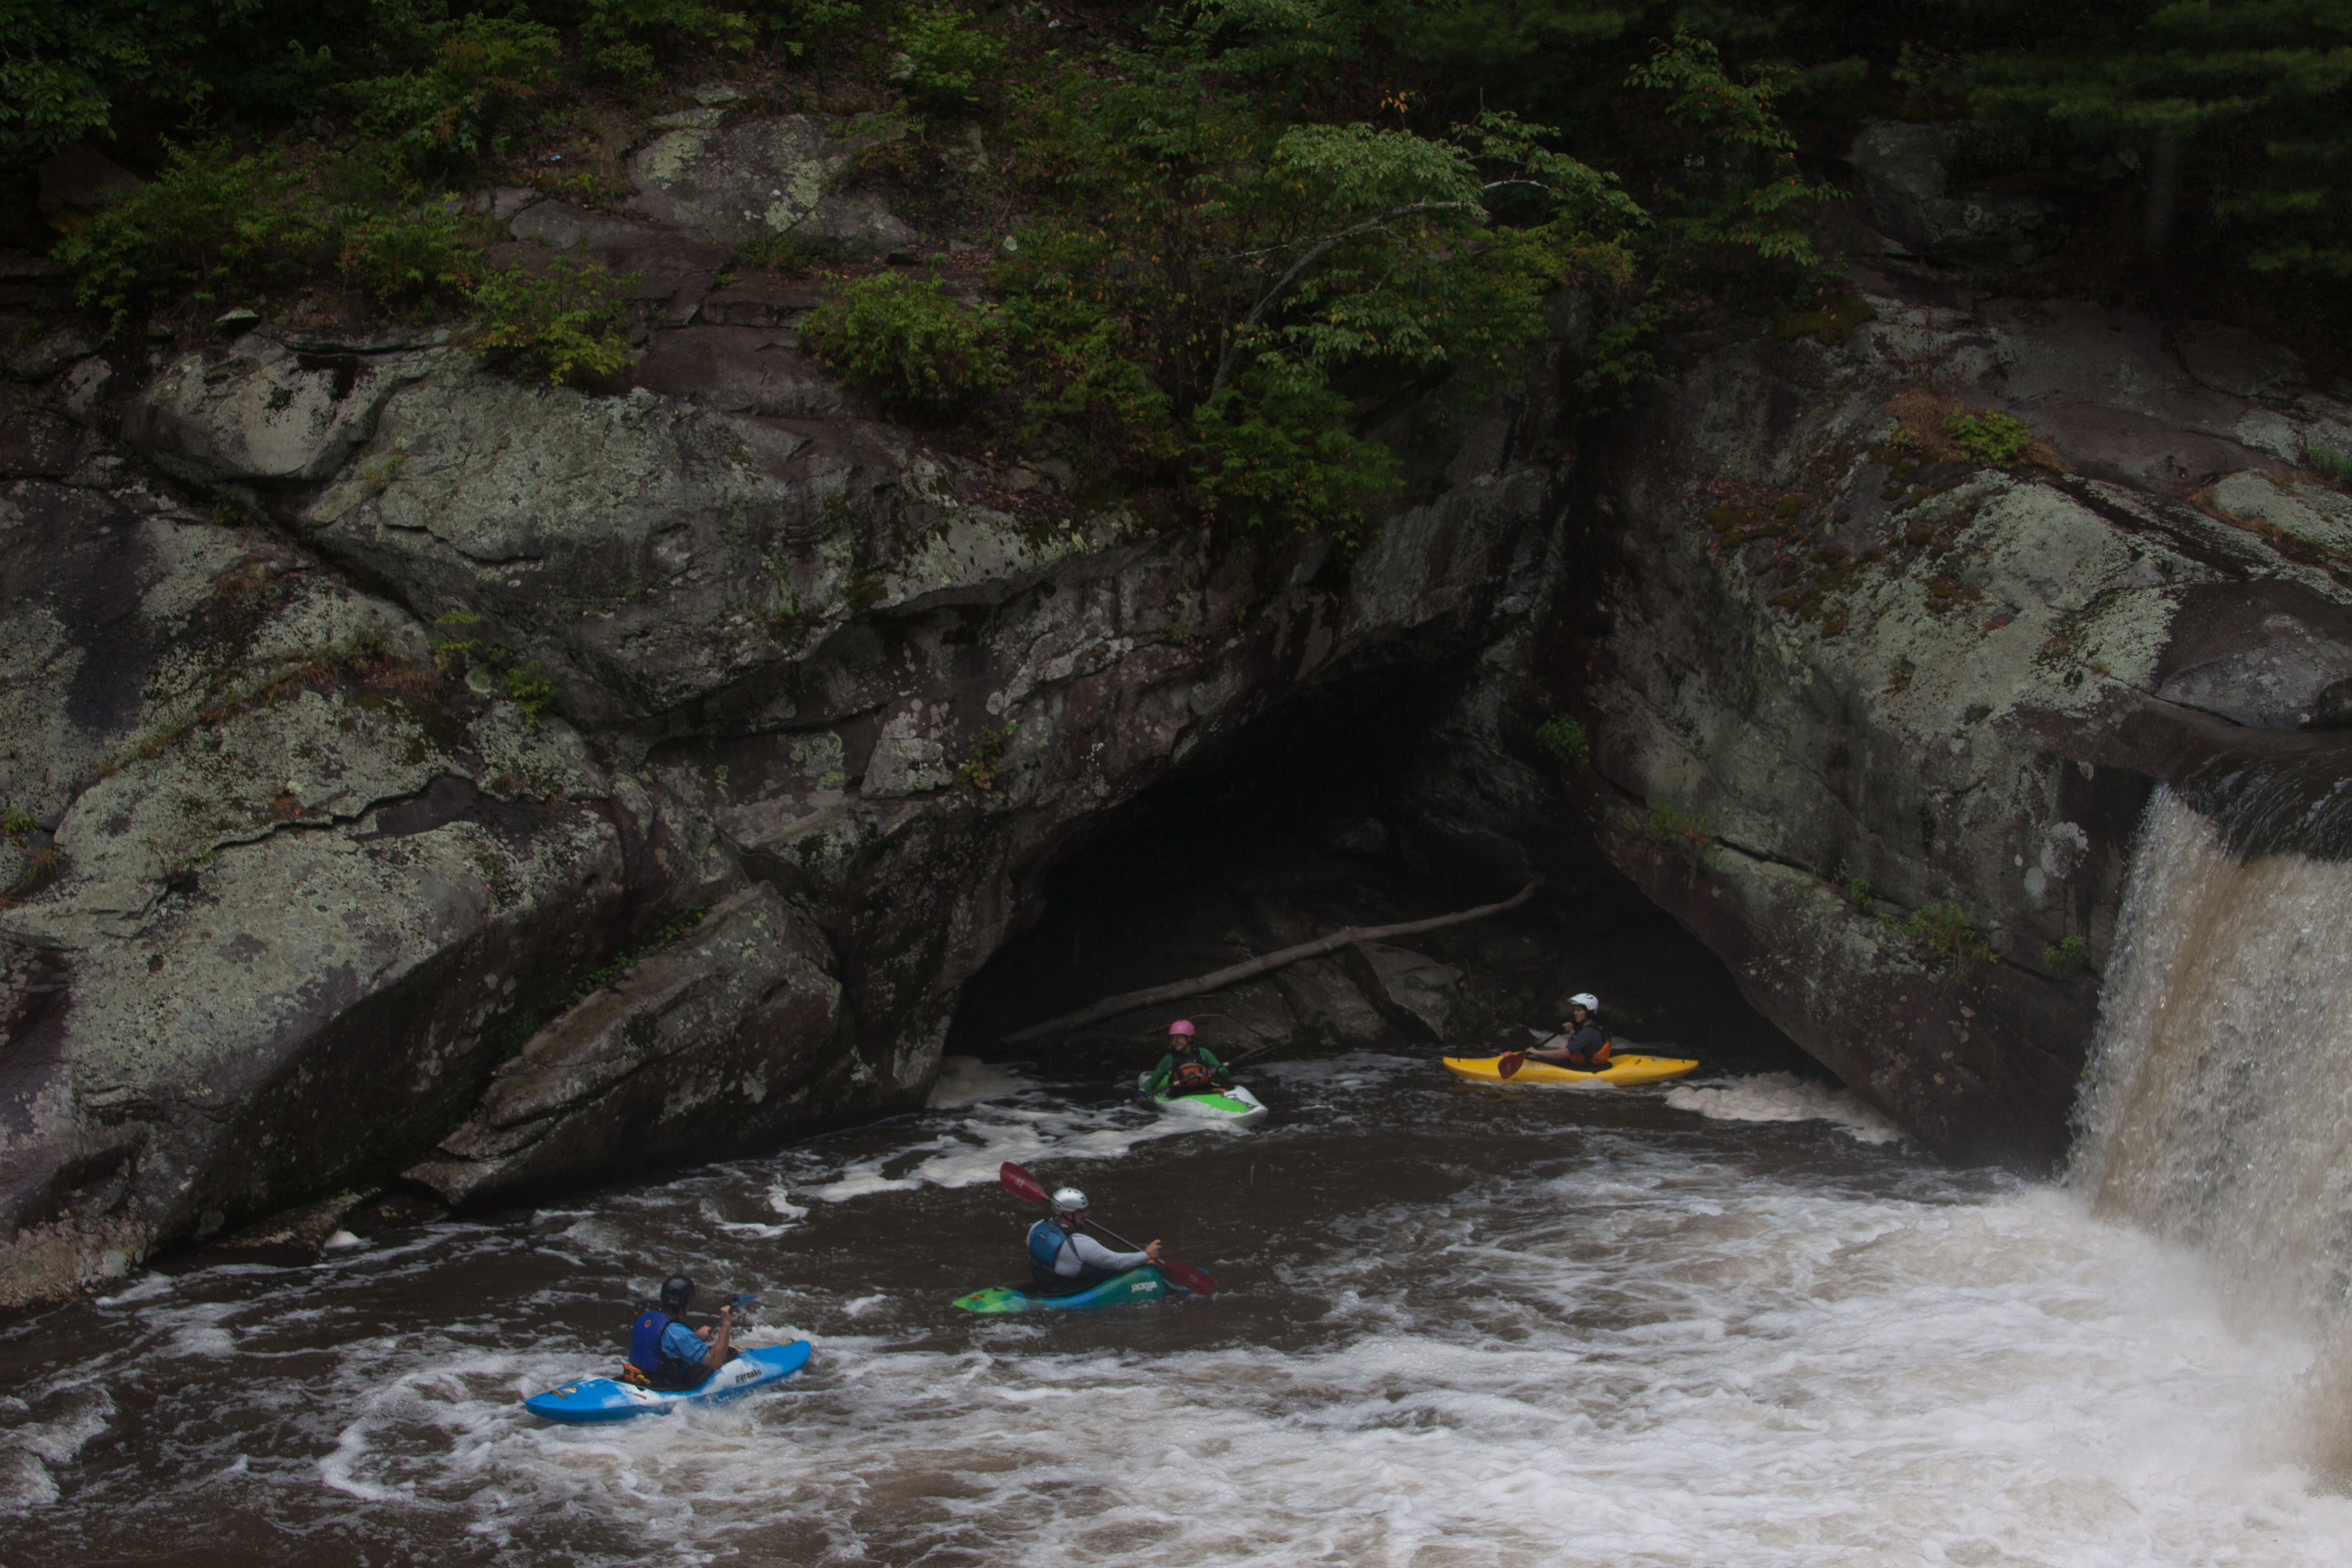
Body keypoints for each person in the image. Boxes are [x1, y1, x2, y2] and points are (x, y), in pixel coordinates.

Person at [1027, 1186, 1162, 1296]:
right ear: (1067, 1214)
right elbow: (1117, 1262)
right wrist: (1146, 1255)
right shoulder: (1079, 1243)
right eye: (1081, 1211)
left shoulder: (1037, 1227)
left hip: (1044, 1286)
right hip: (1068, 1291)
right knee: (1143, 1271)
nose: (1086, 1214)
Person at [625, 1273, 737, 1390]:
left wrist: (696, 1336)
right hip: (660, 1386)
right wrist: (726, 1324)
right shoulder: (677, 1331)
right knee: (720, 1359)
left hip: (637, 1378)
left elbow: (663, 1344)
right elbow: (716, 1362)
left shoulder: (647, 1317)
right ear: (686, 1305)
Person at [1140, 1019, 1229, 1099]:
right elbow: (1153, 1082)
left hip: (1205, 1091)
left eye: (1178, 1038)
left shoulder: (1203, 1053)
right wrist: (1141, 1092)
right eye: (1173, 1039)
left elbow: (1226, 1076)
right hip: (1180, 1096)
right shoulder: (1169, 1059)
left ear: (1189, 1038)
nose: (1174, 1042)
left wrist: (1217, 1070)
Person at [1528, 993, 1614, 1069]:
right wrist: (1572, 1032)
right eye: (1575, 1010)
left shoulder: (1589, 1032)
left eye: (1579, 1010)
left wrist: (1537, 1052)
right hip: (1588, 1065)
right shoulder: (1595, 1028)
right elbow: (1585, 1044)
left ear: (1589, 1012)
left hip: (1586, 1068)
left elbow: (1566, 1053)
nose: (1575, 1013)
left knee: (1534, 1057)